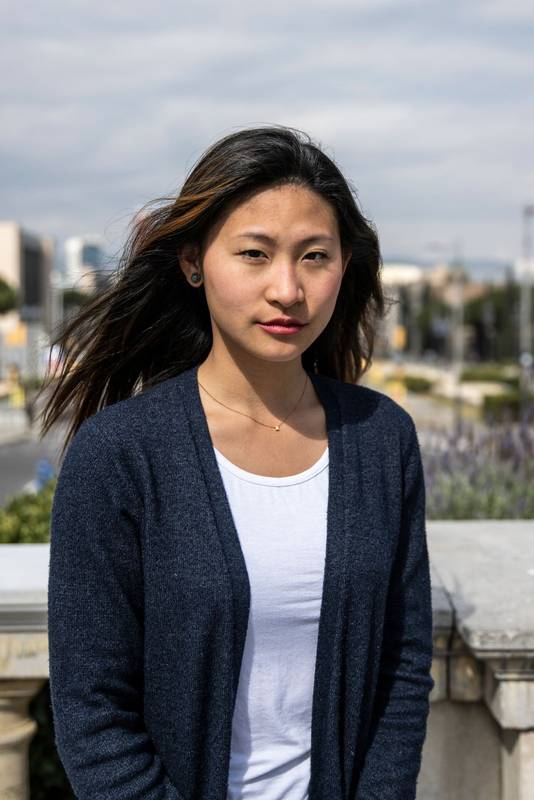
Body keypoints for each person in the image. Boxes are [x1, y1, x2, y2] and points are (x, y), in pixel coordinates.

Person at [42, 124, 435, 800]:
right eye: (255, 254)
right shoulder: (120, 455)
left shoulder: (381, 441)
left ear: (346, 265)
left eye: (315, 256)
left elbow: (402, 668)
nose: (287, 289)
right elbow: (93, 712)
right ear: (193, 262)